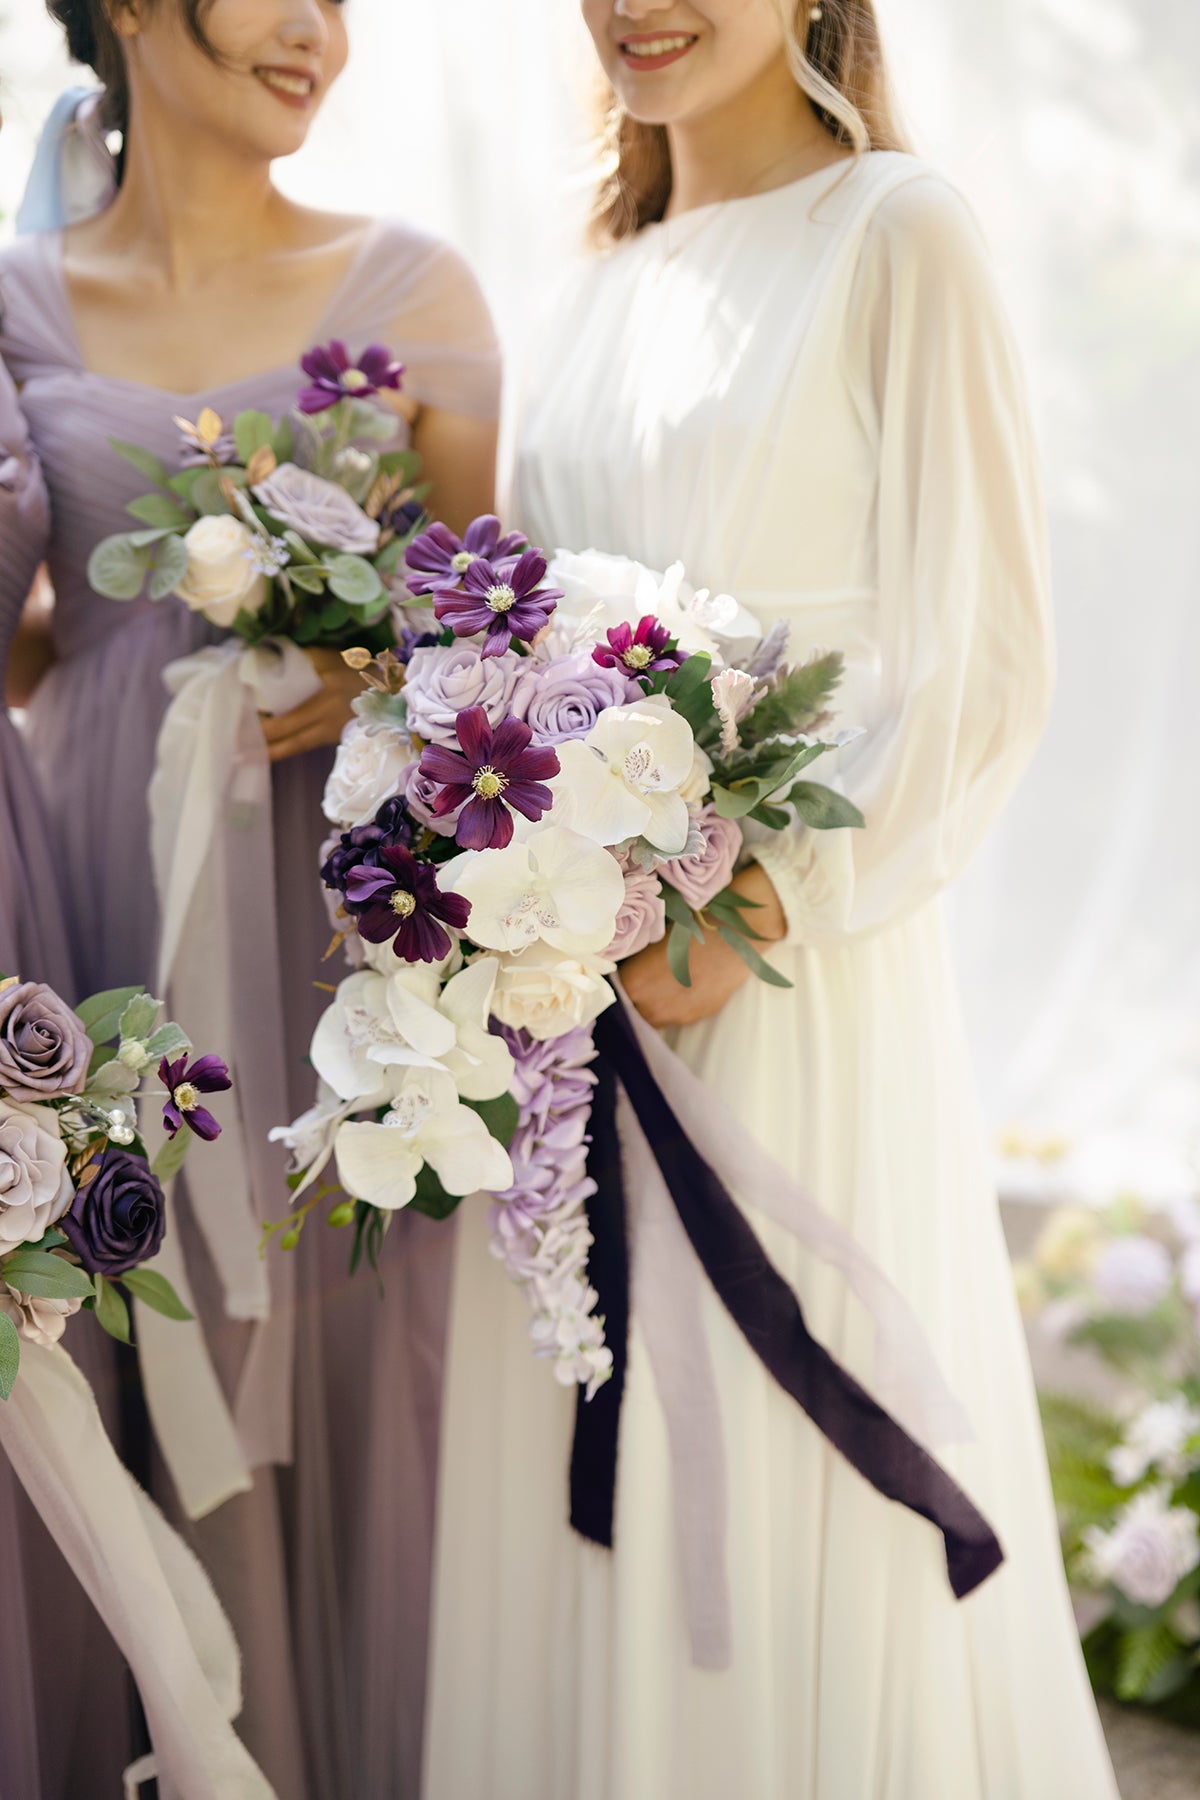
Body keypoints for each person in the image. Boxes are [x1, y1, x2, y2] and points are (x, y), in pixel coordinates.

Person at [422, 3, 1121, 1796]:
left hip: (792, 999)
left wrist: (752, 917)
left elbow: (984, 662)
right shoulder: (588, 282)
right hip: (576, 1031)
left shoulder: (899, 232)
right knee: (604, 1460)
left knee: (769, 1466)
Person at [1, 2, 500, 1792]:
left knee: (365, 1341)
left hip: (336, 930)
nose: (321, 34)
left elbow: (481, 649)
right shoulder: (16, 300)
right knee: (112, 1323)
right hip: (88, 920)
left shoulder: (423, 293)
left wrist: (370, 668)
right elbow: (22, 645)